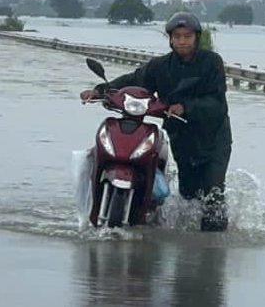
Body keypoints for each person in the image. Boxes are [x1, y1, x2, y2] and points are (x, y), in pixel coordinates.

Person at [80, 12, 232, 231]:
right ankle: (186, 241)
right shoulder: (160, 66)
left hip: (213, 138)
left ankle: (215, 247)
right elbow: (134, 80)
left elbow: (217, 102)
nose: (182, 41)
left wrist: (186, 107)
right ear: (170, 38)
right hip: (181, 136)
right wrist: (101, 91)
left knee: (212, 192)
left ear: (196, 38)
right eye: (177, 36)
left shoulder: (212, 63)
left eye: (187, 36)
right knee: (188, 194)